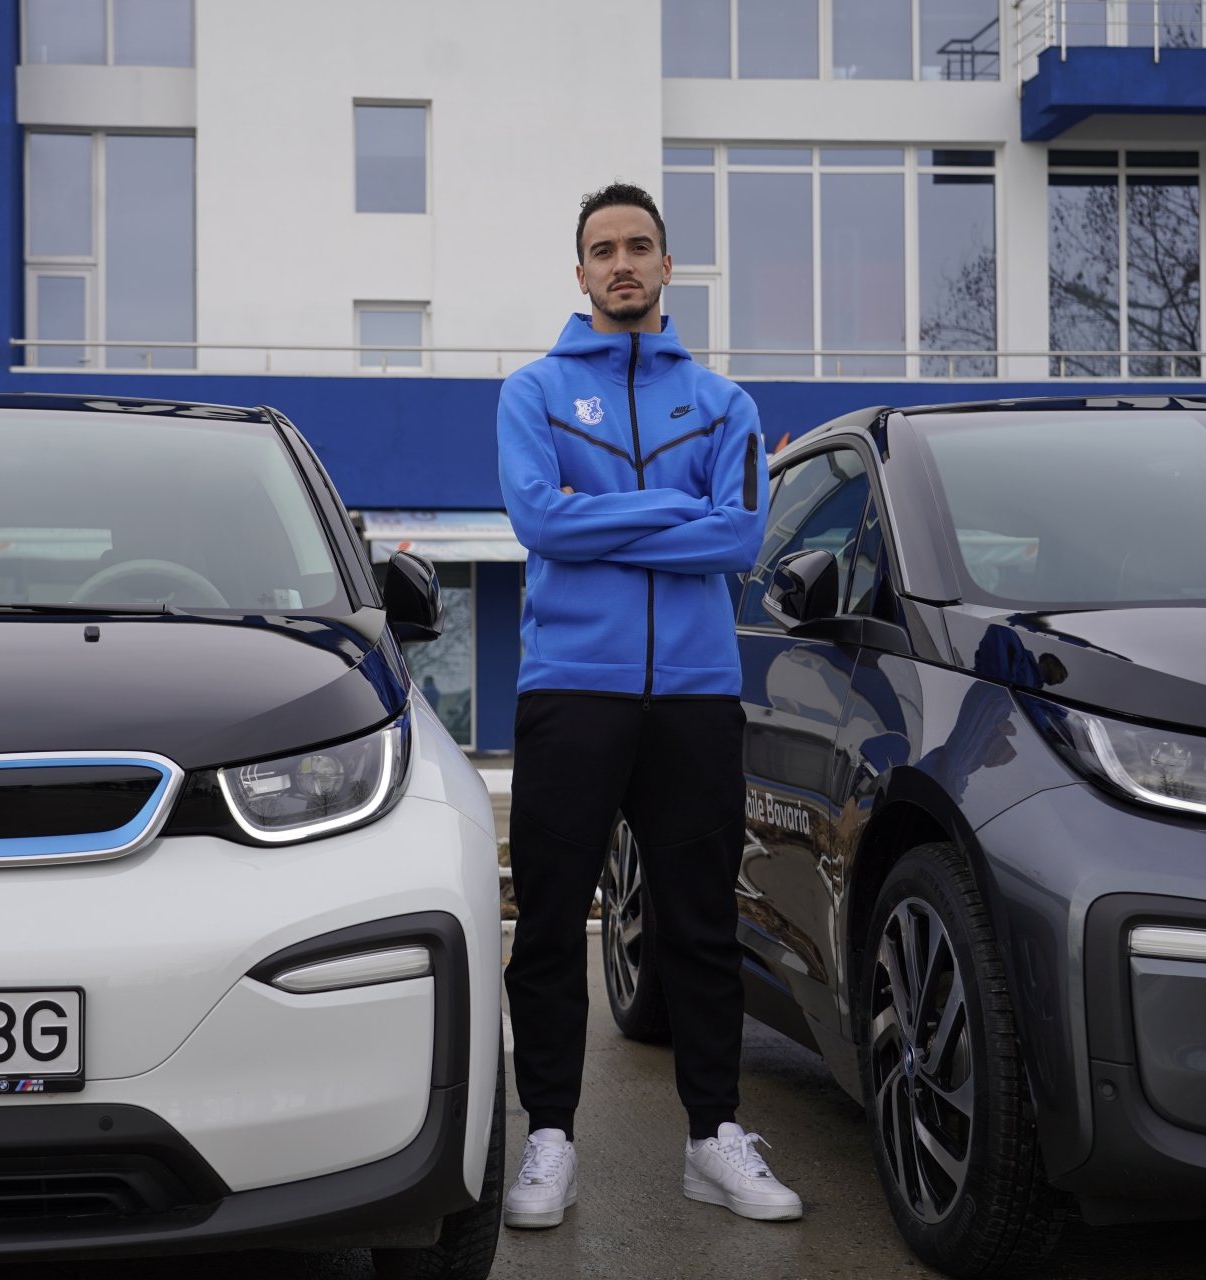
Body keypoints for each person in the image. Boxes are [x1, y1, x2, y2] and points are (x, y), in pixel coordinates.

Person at [494, 183, 802, 1228]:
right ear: (580, 271)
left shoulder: (725, 405)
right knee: (548, 924)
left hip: (695, 697)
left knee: (702, 925)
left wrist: (608, 516)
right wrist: (679, 507)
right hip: (570, 688)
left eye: (639, 246)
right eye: (602, 249)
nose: (621, 263)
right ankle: (549, 1137)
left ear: (668, 266)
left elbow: (737, 538)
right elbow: (541, 521)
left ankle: (714, 1138)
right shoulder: (532, 393)